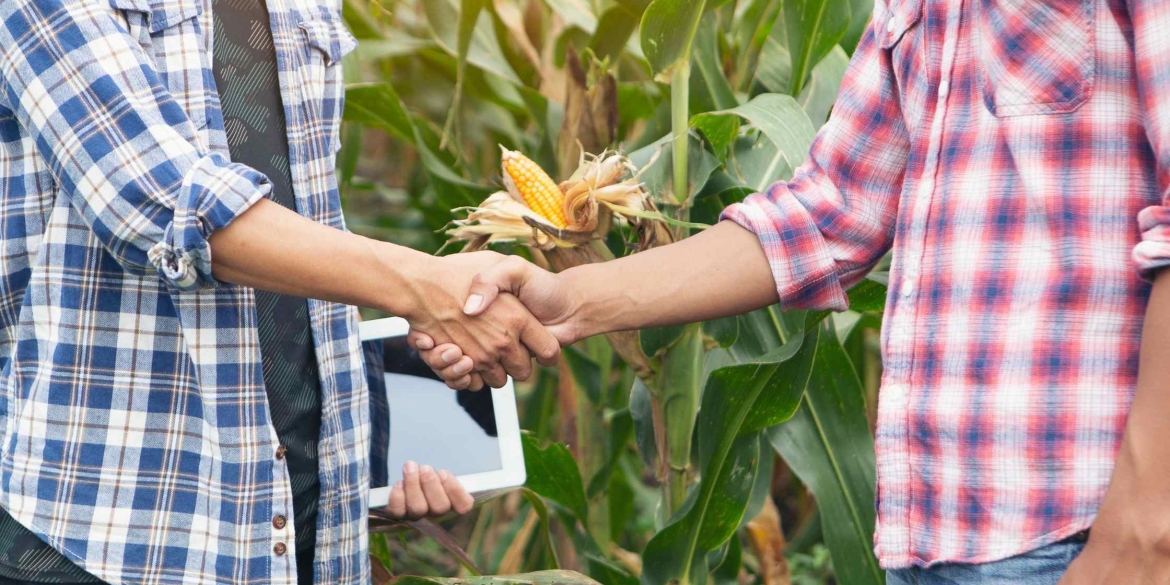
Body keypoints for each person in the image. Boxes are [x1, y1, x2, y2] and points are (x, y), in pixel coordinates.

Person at [414, 0, 1170, 583]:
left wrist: (1142, 530)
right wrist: (567, 296)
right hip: (934, 537)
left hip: (1083, 534)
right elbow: (830, 210)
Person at [0, 1, 556, 584]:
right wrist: (428, 287)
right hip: (108, 533)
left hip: (311, 534)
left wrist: (358, 473)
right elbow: (167, 203)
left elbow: (305, 245)